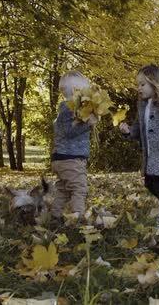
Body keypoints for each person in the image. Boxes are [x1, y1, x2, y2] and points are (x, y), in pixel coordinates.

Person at [119, 64, 159, 224]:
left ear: (155, 83)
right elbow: (138, 128)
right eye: (137, 85)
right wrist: (128, 131)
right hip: (150, 155)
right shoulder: (142, 106)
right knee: (149, 183)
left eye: (143, 84)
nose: (139, 88)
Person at [51, 70, 98, 225]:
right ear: (76, 92)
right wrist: (88, 125)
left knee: (63, 189)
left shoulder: (73, 108)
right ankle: (78, 218)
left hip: (64, 157)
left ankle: (56, 216)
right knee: (79, 188)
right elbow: (69, 132)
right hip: (69, 158)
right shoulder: (67, 108)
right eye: (85, 91)